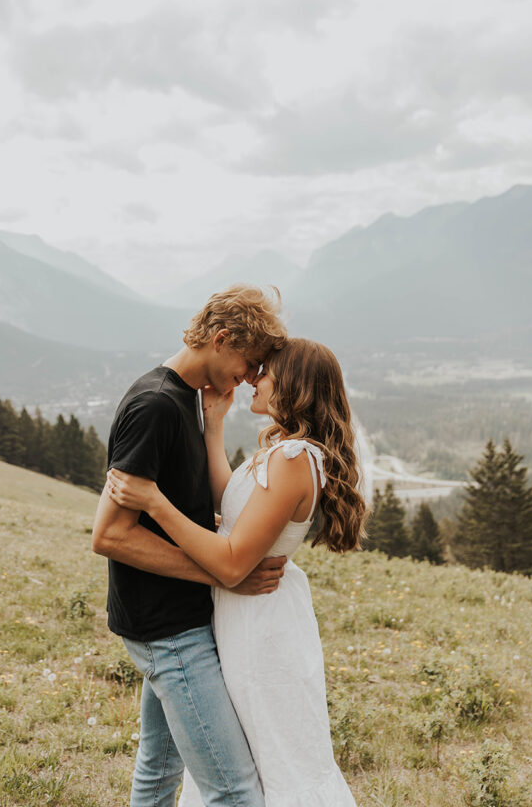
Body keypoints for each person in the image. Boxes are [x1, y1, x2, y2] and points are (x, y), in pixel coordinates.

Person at [108, 337, 366, 807]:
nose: (253, 377)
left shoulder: (294, 460)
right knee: (234, 755)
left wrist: (153, 502)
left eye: (265, 371)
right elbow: (233, 503)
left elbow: (230, 560)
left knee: (272, 762)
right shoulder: (284, 450)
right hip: (242, 617)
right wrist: (214, 427)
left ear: (295, 385)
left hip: (261, 628)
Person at [92, 285, 288, 807]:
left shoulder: (190, 400)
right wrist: (226, 574)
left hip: (174, 618)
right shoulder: (156, 405)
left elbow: (176, 499)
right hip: (168, 629)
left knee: (159, 771)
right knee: (235, 790)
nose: (248, 378)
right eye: (247, 363)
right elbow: (109, 534)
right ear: (221, 339)